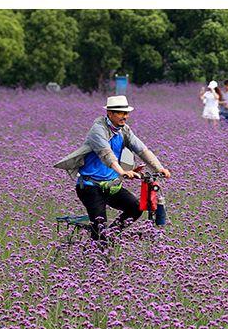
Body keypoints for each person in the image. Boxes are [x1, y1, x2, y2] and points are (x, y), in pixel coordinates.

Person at [54, 95, 171, 240]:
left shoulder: (124, 130)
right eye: (121, 113)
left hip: (111, 185)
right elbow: (106, 154)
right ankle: (96, 251)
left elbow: (142, 150)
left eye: (126, 113)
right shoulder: (98, 130)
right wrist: (122, 172)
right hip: (91, 187)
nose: (125, 116)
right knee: (99, 225)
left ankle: (109, 238)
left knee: (135, 207)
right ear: (110, 113)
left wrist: (159, 168)